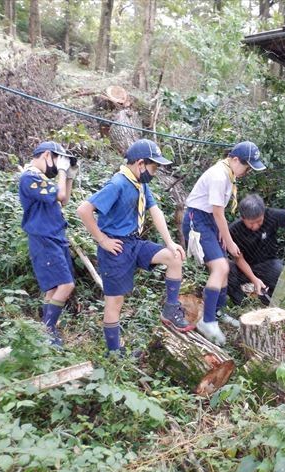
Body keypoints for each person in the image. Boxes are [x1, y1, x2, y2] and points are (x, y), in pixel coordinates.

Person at [76, 139, 191, 356]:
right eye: (154, 167)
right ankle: (114, 353)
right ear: (140, 163)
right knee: (115, 302)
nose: (154, 172)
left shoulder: (140, 183)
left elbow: (154, 210)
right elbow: (84, 210)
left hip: (134, 243)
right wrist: (102, 240)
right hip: (115, 248)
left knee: (174, 257)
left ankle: (170, 310)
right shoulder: (118, 183)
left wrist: (170, 242)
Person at [182, 141, 266, 345]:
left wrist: (221, 231)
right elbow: (218, 211)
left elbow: (217, 213)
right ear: (235, 159)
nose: (247, 171)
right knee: (219, 267)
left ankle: (217, 312)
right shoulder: (219, 176)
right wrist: (228, 241)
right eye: (247, 166)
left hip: (210, 220)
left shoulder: (228, 175)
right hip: (197, 220)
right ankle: (207, 321)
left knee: (225, 268)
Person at [19, 140, 79, 346]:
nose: (57, 166)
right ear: (46, 155)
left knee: (54, 287)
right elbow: (59, 194)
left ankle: (46, 331)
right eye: (57, 159)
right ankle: (48, 329)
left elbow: (63, 199)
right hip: (44, 237)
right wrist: (62, 173)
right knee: (66, 284)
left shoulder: (40, 178)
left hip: (55, 235)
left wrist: (68, 176)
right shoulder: (29, 177)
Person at [227, 183, 285, 305]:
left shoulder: (271, 215)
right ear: (243, 218)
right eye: (251, 223)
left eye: (259, 221)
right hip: (244, 266)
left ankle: (269, 304)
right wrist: (254, 279)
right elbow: (239, 259)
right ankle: (242, 306)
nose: (255, 226)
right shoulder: (234, 230)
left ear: (263, 213)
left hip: (268, 264)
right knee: (227, 270)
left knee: (279, 272)